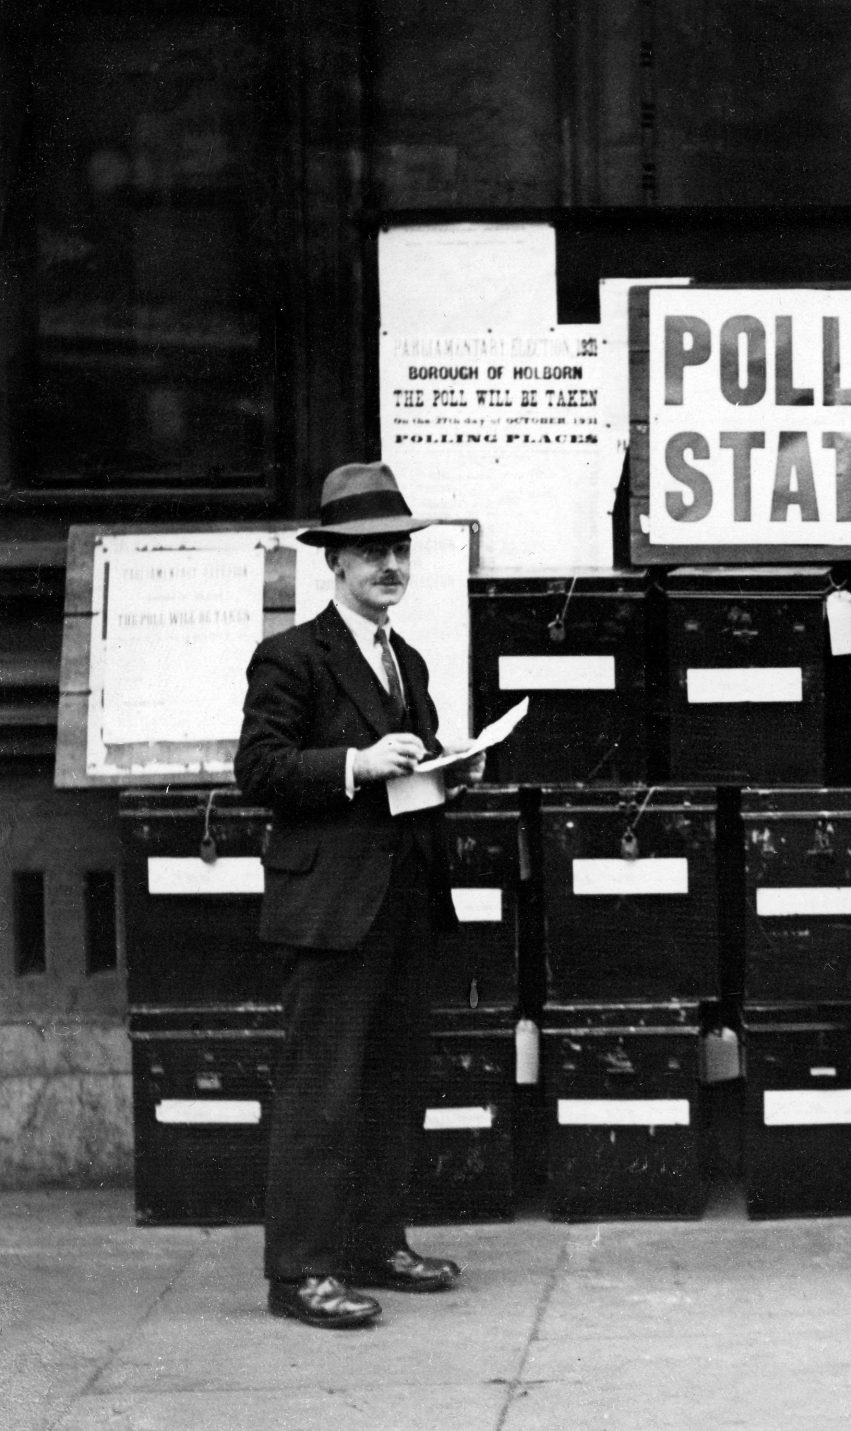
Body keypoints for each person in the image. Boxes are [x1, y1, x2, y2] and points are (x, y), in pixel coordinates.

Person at [235, 462, 482, 1329]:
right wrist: (354, 765)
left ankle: (378, 1241)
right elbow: (258, 769)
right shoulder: (293, 656)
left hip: (404, 902)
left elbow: (411, 774)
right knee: (321, 1088)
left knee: (390, 1083)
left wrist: (455, 768)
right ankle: (299, 1273)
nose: (390, 566)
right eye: (371, 552)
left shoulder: (404, 657)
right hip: (331, 910)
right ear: (333, 562)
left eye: (399, 552)